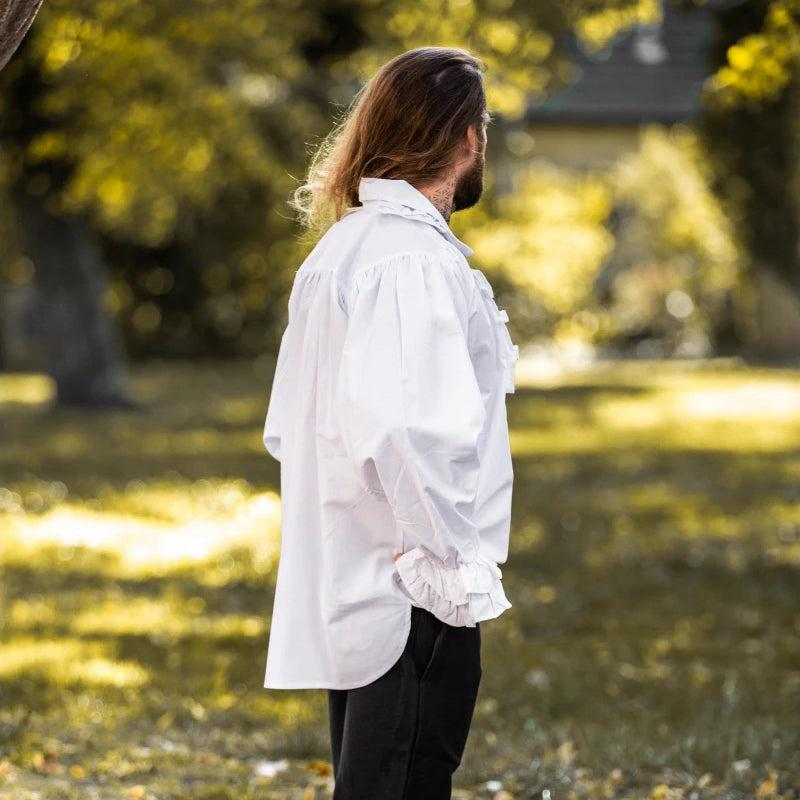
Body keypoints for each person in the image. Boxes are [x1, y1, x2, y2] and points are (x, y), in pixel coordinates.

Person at [261, 45, 518, 800]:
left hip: (361, 580)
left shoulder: (343, 251)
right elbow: (407, 431)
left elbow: (288, 429)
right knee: (404, 784)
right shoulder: (407, 260)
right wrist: (445, 573)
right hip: (411, 594)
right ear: (467, 135)